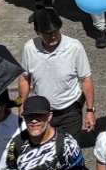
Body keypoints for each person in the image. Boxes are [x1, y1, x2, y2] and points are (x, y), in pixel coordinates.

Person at [18, 9, 94, 140]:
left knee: (69, 150)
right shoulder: (29, 48)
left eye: (55, 31)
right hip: (43, 113)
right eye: (47, 33)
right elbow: (25, 78)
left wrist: (90, 111)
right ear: (38, 32)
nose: (52, 36)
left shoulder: (74, 47)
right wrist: (22, 103)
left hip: (70, 111)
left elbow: (85, 79)